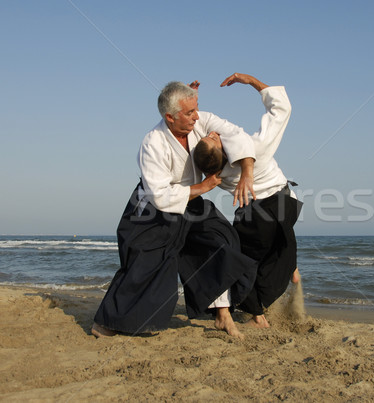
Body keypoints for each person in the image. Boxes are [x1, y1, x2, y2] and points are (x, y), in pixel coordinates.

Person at [92, 80, 259, 339]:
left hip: (191, 202)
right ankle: (108, 322)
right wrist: (203, 187)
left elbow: (236, 134)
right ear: (170, 117)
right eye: (189, 112)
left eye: (196, 108)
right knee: (145, 262)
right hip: (154, 209)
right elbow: (159, 195)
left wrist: (246, 172)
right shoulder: (153, 143)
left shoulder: (201, 122)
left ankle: (222, 313)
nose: (197, 116)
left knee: (221, 240)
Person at [194, 73, 303, 328]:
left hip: (256, 214)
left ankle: (259, 309)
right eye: (213, 138)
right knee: (260, 251)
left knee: (244, 257)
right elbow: (282, 108)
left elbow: (197, 133)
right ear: (221, 150)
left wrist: (193, 105)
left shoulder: (215, 174)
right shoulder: (255, 147)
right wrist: (251, 81)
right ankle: (275, 290)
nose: (214, 133)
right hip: (285, 204)